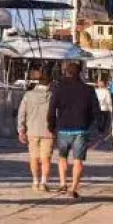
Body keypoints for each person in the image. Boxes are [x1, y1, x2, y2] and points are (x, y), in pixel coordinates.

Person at [47, 59, 98, 199]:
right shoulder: (88, 90)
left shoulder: (58, 89)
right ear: (80, 74)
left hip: (63, 128)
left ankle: (63, 183)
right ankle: (74, 187)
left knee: (62, 157)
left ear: (66, 73)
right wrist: (92, 125)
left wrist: (51, 126)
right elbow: (95, 111)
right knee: (78, 160)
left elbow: (51, 110)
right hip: (81, 129)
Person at [16, 69, 53, 191]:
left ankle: (35, 181)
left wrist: (21, 129)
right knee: (46, 158)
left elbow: (21, 113)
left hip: (31, 130)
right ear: (49, 84)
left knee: (34, 157)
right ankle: (44, 182)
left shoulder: (28, 95)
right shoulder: (52, 96)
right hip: (48, 131)